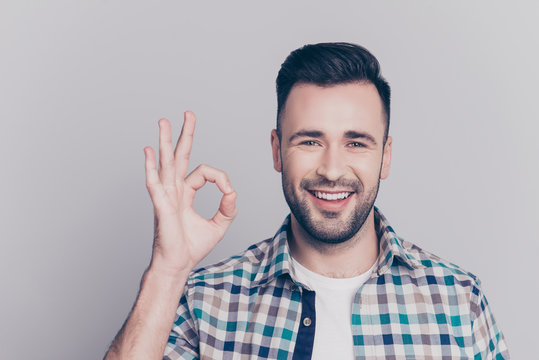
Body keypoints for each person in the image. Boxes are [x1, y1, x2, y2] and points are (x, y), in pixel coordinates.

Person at [105, 43, 509, 359]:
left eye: (356, 143)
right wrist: (167, 271)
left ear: (385, 157)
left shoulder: (459, 302)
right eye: (310, 141)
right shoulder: (206, 301)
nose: (332, 169)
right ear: (278, 150)